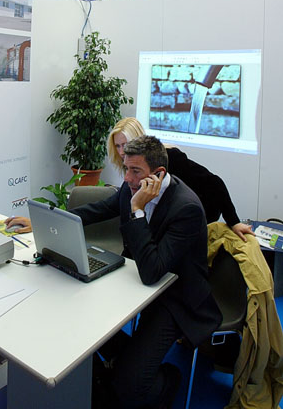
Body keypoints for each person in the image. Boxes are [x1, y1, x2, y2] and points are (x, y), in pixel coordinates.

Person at [70, 135, 222, 409]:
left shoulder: (186, 207)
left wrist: (137, 210)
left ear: (158, 174)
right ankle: (125, 361)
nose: (127, 178)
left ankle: (170, 378)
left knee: (130, 388)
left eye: (135, 171)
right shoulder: (131, 187)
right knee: (82, 326)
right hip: (139, 285)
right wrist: (53, 218)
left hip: (175, 298)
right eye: (126, 168)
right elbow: (99, 209)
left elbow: (152, 271)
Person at [108, 117, 254, 242]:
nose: (121, 152)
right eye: (117, 146)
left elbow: (216, 183)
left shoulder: (170, 157)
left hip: (199, 210)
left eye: (125, 145)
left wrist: (234, 222)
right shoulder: (131, 165)